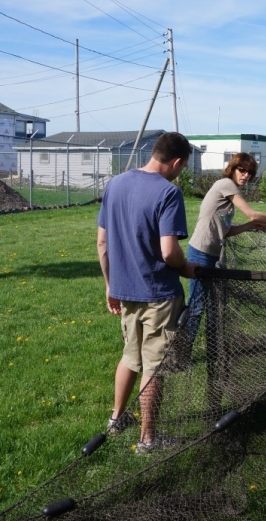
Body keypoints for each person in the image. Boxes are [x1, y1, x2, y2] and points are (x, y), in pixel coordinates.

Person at [96, 131, 197, 454]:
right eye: (182, 167)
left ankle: (115, 419)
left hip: (124, 290)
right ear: (177, 162)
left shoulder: (115, 184)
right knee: (155, 366)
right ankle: (148, 439)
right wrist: (187, 269)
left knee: (130, 356)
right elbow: (169, 252)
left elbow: (102, 242)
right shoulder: (168, 193)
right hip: (158, 294)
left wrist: (111, 285)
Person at [186, 153, 266, 349]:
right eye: (241, 170)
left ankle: (212, 348)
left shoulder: (230, 193)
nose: (245, 175)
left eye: (250, 173)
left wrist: (249, 226)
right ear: (233, 169)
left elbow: (225, 231)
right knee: (196, 306)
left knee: (212, 307)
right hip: (200, 253)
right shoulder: (225, 184)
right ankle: (182, 350)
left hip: (211, 254)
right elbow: (252, 213)